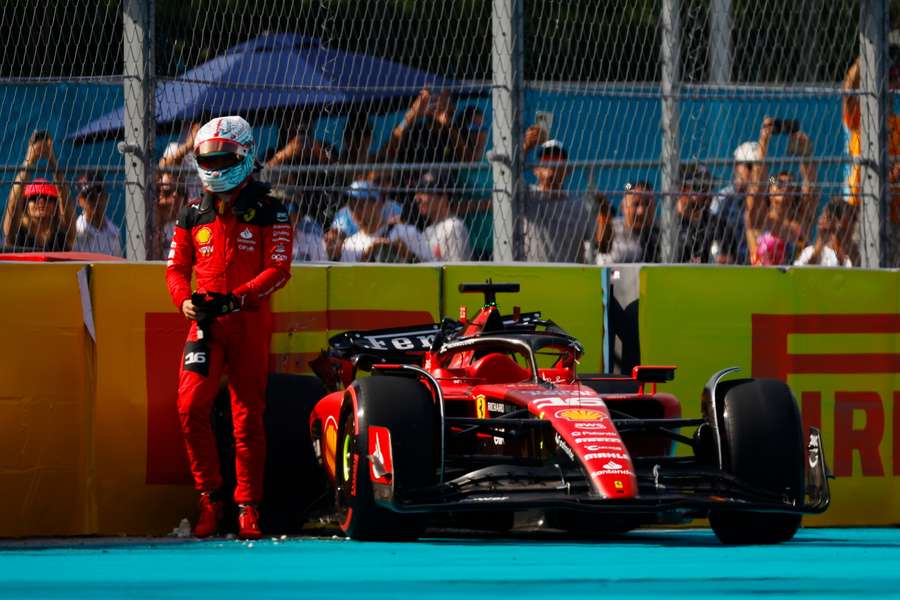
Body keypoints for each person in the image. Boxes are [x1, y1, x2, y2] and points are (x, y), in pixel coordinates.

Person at [166, 115, 293, 540]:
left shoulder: (271, 209)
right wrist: (184, 299)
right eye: (208, 160)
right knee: (189, 407)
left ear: (245, 156)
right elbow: (176, 269)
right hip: (205, 324)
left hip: (249, 325)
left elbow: (279, 269)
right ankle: (210, 500)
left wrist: (238, 298)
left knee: (247, 419)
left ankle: (247, 508)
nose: (216, 168)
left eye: (224, 159)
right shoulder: (191, 213)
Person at [516, 138, 593, 262]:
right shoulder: (527, 196)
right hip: (533, 277)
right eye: (546, 160)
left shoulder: (578, 205)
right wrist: (525, 146)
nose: (552, 165)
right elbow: (509, 177)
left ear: (567, 170)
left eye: (557, 160)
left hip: (569, 277)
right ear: (536, 170)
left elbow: (597, 243)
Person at [2, 131, 74, 251]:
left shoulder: (63, 235)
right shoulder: (17, 234)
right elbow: (13, 203)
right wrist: (29, 160)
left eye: (47, 197)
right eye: (34, 197)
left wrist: (52, 159)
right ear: (25, 205)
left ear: (55, 206)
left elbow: (66, 201)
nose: (40, 201)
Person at [337, 180, 432, 262]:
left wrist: (410, 257)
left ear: (379, 204)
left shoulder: (406, 233)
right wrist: (364, 261)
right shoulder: (349, 244)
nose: (355, 211)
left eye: (361, 205)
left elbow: (433, 266)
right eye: (352, 206)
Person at [413, 170, 472, 261]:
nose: (417, 198)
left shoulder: (453, 227)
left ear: (443, 196)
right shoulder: (427, 231)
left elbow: (459, 269)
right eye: (417, 192)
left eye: (424, 191)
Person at [596, 182, 660, 264]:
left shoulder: (660, 233)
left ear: (654, 207)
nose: (641, 211)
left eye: (647, 204)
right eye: (635, 204)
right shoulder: (613, 229)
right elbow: (603, 250)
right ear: (623, 206)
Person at [674, 163, 724, 263]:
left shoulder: (717, 224)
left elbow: (731, 256)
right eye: (701, 188)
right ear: (682, 190)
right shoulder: (669, 226)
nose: (708, 194)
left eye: (710, 187)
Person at [794, 198, 854, 267]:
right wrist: (819, 246)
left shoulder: (843, 256)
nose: (820, 219)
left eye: (826, 217)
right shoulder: (809, 251)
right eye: (823, 216)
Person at [73, 171, 122, 257]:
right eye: (90, 197)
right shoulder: (77, 231)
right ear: (80, 201)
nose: (95, 200)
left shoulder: (114, 233)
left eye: (98, 194)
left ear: (105, 196)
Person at [155, 172, 189, 259]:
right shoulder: (149, 229)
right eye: (166, 192)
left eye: (180, 191)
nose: (175, 196)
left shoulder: (191, 226)